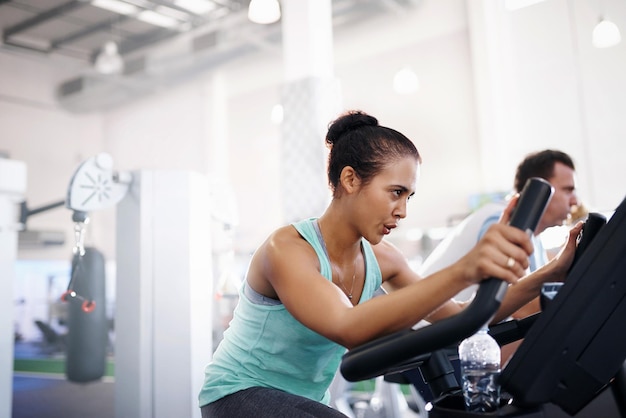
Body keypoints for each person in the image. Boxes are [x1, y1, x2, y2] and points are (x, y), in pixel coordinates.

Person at [198, 111, 583, 417]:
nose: (402, 211)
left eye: (409, 197)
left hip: (307, 401)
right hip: (238, 392)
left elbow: (458, 315)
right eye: (395, 193)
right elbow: (347, 327)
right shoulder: (288, 249)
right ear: (350, 179)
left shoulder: (383, 259)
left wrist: (552, 273)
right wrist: (466, 268)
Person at [419, 149, 580, 317]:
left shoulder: (534, 238)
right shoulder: (501, 219)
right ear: (541, 190)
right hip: (429, 331)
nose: (575, 201)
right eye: (568, 190)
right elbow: (521, 309)